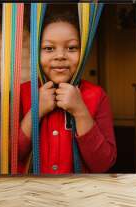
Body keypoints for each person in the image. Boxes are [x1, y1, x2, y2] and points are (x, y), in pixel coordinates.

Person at [18, 8, 117, 174]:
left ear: (83, 52)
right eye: (49, 48)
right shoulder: (22, 93)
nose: (60, 56)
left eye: (71, 48)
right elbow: (9, 155)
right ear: (36, 52)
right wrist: (36, 111)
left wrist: (80, 112)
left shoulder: (97, 95)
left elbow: (104, 164)